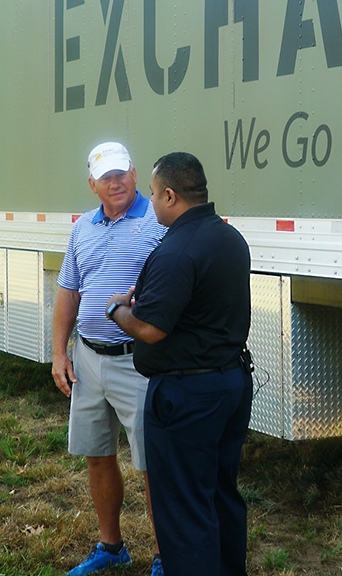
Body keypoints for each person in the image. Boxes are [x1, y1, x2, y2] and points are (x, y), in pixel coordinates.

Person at [105, 152, 254, 576]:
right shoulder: (229, 238)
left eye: (152, 195)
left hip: (187, 397)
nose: (150, 204)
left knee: (184, 509)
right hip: (230, 384)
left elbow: (150, 328)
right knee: (221, 494)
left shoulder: (176, 249)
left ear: (170, 195)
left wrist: (117, 309)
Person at [53, 142, 167, 576]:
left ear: (135, 175)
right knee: (97, 454)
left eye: (121, 174)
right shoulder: (83, 227)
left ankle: (164, 555)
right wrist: (59, 353)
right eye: (106, 177)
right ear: (92, 184)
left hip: (138, 361)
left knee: (153, 462)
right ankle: (111, 546)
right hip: (88, 359)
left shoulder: (159, 222)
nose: (115, 182)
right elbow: (69, 291)